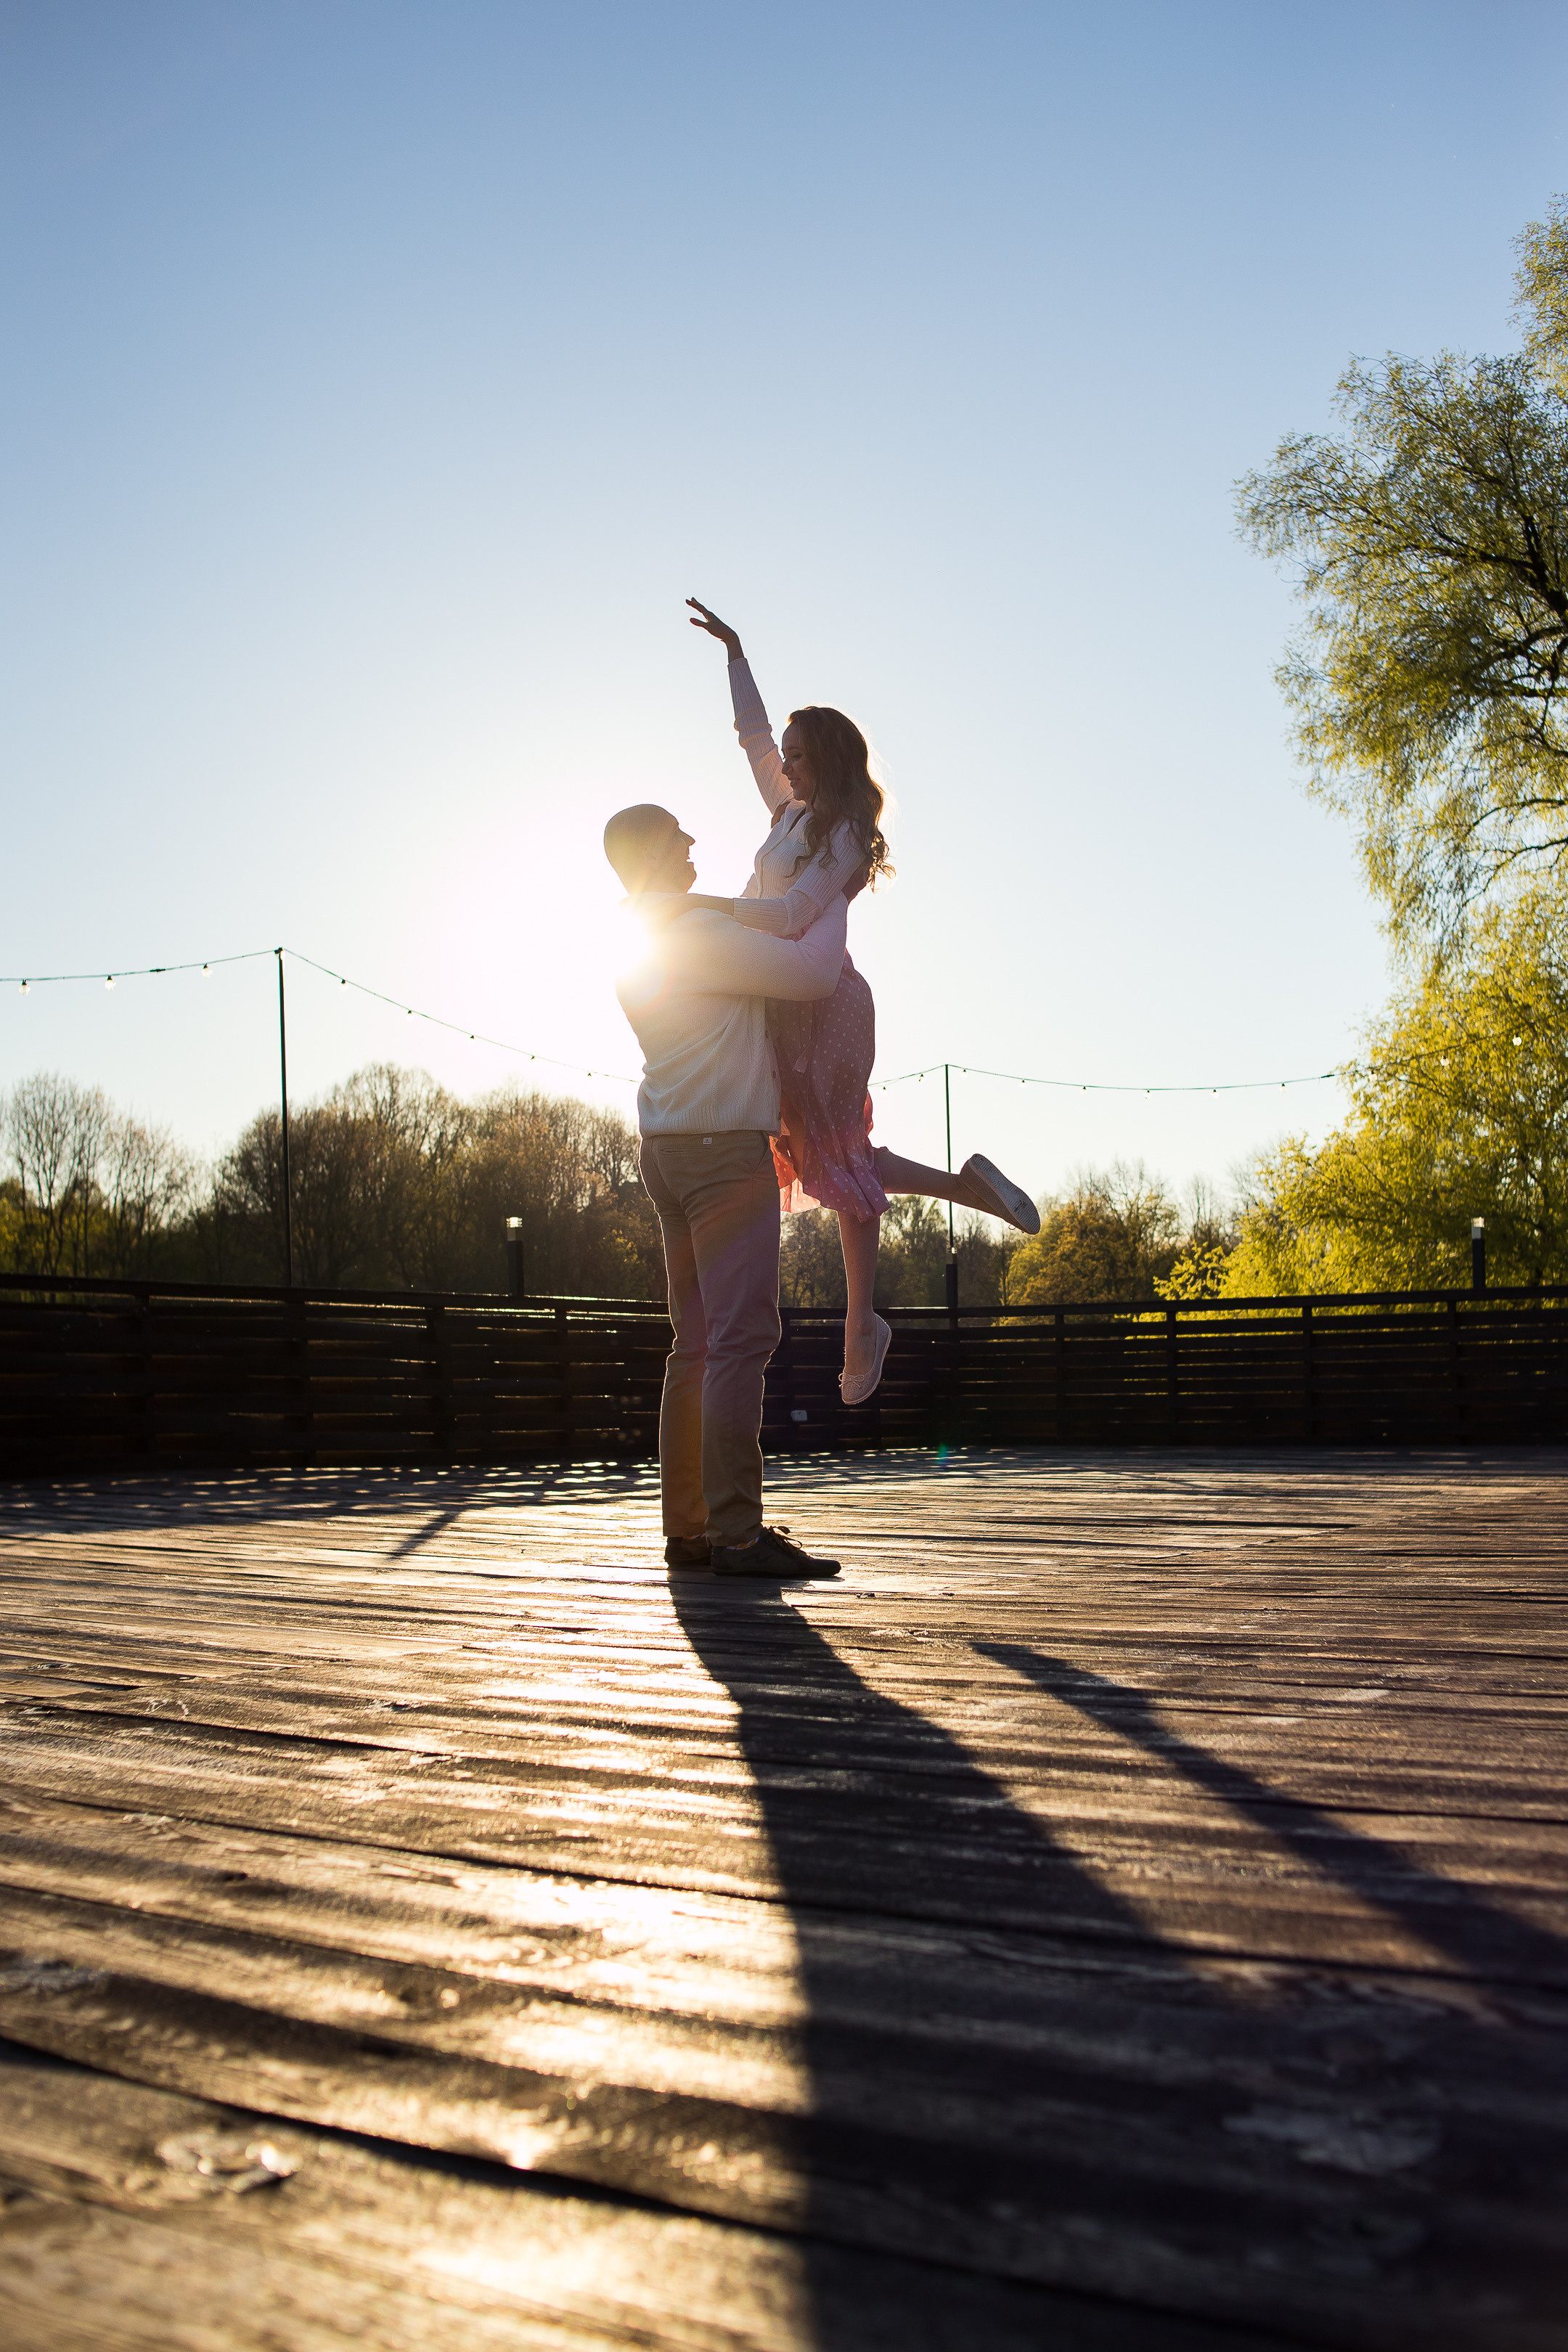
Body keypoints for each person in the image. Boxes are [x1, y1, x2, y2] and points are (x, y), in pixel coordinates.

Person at [679, 597, 1040, 1407]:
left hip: (825, 1005)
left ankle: (862, 1323)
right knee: (834, 1161)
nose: (787, 768)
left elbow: (793, 915)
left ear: (830, 761)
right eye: (788, 758)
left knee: (835, 1161)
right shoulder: (789, 812)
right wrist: (736, 655)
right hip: (782, 1004)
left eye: (801, 758)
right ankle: (952, 1209)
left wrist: (705, 908)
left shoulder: (843, 834)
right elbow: (752, 739)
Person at [605, 799, 845, 1580]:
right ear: (651, 855)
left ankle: (690, 1528)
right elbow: (812, 974)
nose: (692, 840)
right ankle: (738, 1532)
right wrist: (836, 884)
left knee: (697, 1343)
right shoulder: (696, 934)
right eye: (676, 836)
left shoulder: (640, 940)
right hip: (720, 1152)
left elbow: (752, 919)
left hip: (667, 1149)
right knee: (742, 1338)